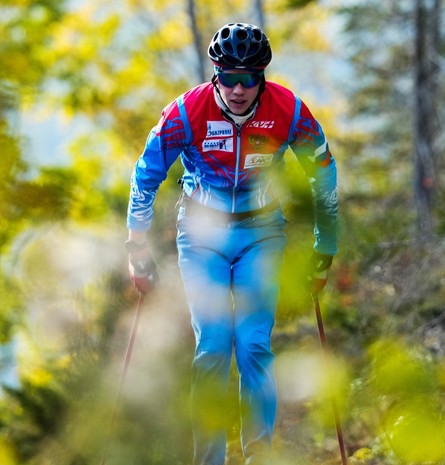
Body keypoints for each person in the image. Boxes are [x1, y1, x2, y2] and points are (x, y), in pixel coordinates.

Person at [125, 22, 338, 465]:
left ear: (262, 77)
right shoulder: (186, 112)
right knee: (215, 346)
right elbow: (145, 177)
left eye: (249, 78)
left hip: (261, 232)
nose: (239, 89)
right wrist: (137, 249)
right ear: (215, 73)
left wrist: (325, 248)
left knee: (254, 343)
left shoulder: (289, 110)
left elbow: (323, 174)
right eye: (229, 77)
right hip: (202, 236)